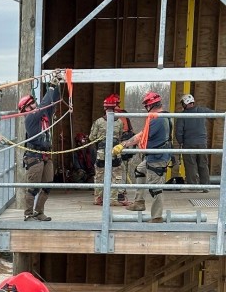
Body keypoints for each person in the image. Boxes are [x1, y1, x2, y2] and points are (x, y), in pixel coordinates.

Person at [119, 91, 172, 223]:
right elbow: (142, 134)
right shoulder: (161, 117)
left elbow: (142, 136)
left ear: (150, 105)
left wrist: (124, 145)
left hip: (157, 157)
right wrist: (124, 144)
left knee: (155, 187)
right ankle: (139, 202)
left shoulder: (157, 120)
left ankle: (157, 217)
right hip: (154, 155)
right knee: (140, 170)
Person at [18, 71, 64, 222]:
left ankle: (39, 211)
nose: (34, 104)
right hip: (34, 156)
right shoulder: (30, 118)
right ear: (26, 108)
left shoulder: (43, 117)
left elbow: (51, 103)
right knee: (33, 187)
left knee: (48, 185)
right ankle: (28, 213)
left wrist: (57, 86)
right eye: (31, 104)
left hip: (45, 155)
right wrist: (51, 87)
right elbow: (44, 105)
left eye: (33, 102)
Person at [88, 94, 125, 206]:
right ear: (115, 107)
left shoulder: (98, 122)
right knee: (116, 176)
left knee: (99, 175)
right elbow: (120, 137)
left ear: (104, 108)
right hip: (115, 152)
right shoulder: (119, 122)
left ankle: (98, 198)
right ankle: (112, 199)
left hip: (101, 153)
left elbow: (91, 138)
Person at [175, 93, 213, 192]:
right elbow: (214, 113)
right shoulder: (201, 110)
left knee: (191, 165)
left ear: (185, 103)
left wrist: (181, 142)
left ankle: (193, 187)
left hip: (189, 143)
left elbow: (179, 132)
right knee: (203, 164)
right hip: (202, 143)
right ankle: (205, 187)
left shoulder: (182, 116)